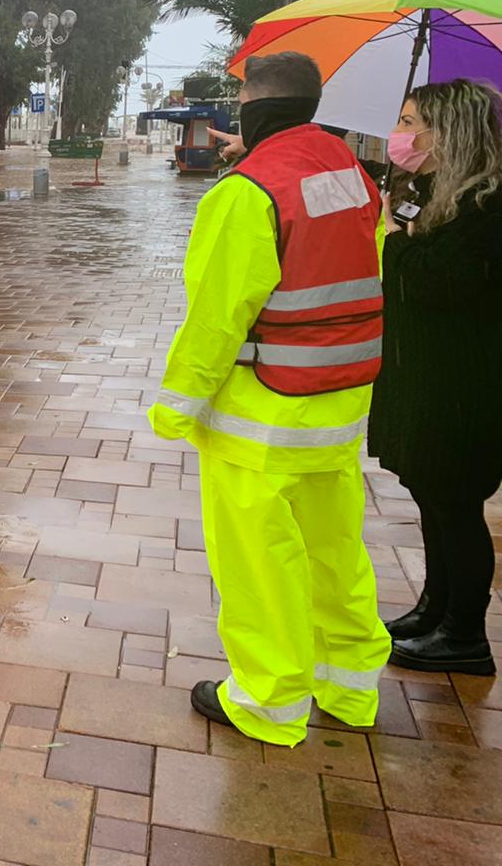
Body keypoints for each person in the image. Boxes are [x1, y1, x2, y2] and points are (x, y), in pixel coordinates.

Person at [149, 50, 389, 746]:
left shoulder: (247, 191)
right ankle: (348, 686)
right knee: (334, 550)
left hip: (263, 413)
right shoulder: (350, 175)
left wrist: (177, 406)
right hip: (339, 403)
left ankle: (268, 700)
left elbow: (218, 313)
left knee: (259, 559)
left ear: (254, 107)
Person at [369, 78, 502, 676]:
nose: (400, 135)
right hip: (427, 377)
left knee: (455, 504)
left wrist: (397, 240)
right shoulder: (431, 192)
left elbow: (437, 283)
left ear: (447, 131)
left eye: (408, 122)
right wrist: (400, 215)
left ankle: (465, 635)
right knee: (431, 496)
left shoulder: (487, 206)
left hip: (464, 385)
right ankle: (433, 609)